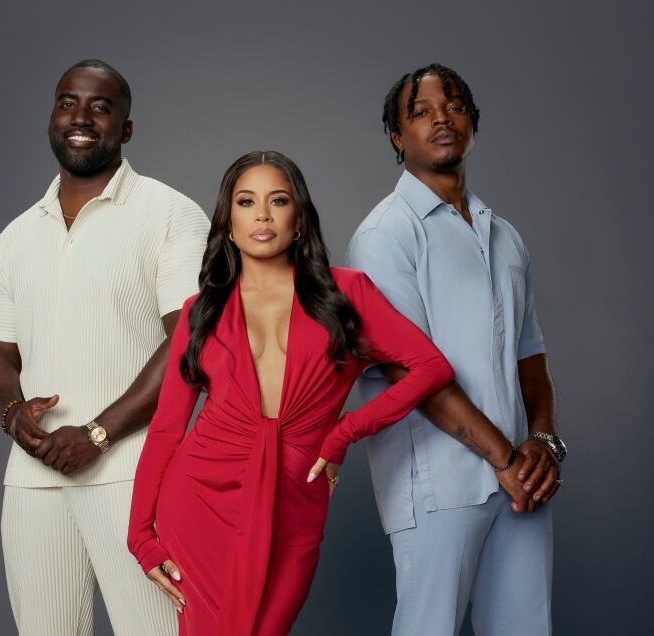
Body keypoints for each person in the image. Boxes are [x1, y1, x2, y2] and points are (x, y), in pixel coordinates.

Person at [128, 149, 471, 635]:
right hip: (199, 503)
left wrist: (345, 431)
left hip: (295, 500)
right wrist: (140, 534)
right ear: (228, 224)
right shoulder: (198, 311)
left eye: (278, 200)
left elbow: (429, 367)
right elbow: (165, 429)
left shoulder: (347, 295)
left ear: (299, 219)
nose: (262, 214)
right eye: (246, 202)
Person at [0, 59, 210, 635]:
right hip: (33, 481)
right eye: (68, 103)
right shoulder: (18, 233)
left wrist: (97, 433)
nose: (81, 118)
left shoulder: (170, 213)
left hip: (136, 474)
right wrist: (13, 416)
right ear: (52, 117)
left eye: (101, 107)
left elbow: (192, 337)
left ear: (125, 129)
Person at [349, 63, 566, 635]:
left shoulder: (505, 234)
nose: (440, 117)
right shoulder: (385, 235)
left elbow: (531, 356)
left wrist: (542, 443)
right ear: (398, 137)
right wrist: (507, 459)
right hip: (436, 485)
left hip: (519, 478)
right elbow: (406, 370)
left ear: (472, 120)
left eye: (453, 105)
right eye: (419, 111)